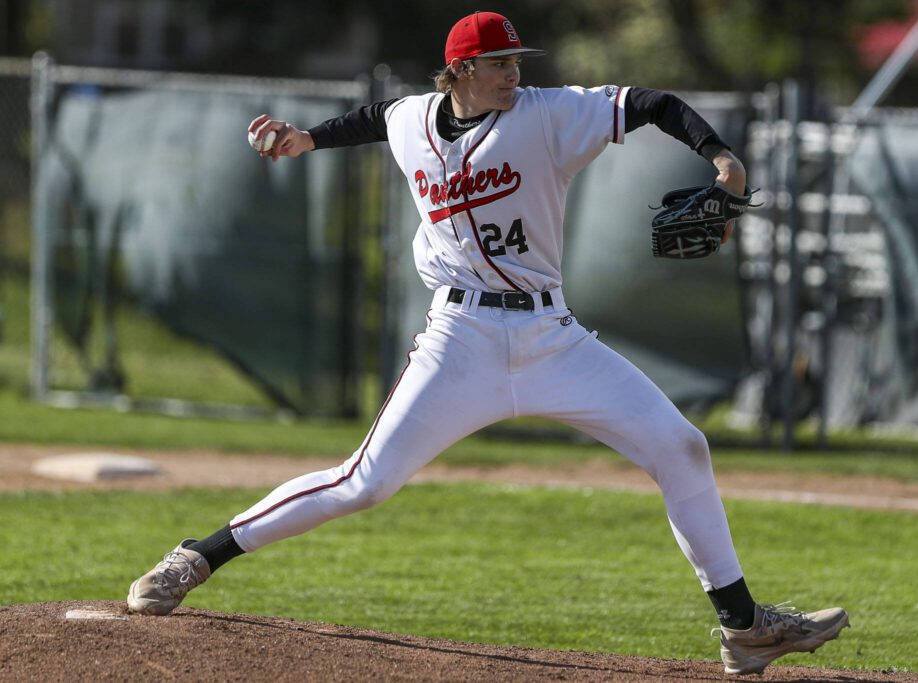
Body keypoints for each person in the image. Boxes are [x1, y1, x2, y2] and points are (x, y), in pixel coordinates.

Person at [126, 11, 848, 675]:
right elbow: (377, 119)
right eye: (499, 63)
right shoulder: (416, 118)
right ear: (460, 72)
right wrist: (305, 138)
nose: (515, 74)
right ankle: (197, 556)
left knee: (682, 446)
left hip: (553, 338)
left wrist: (720, 158)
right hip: (460, 338)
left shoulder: (549, 114)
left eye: (515, 61)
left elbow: (652, 103)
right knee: (365, 482)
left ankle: (743, 627)